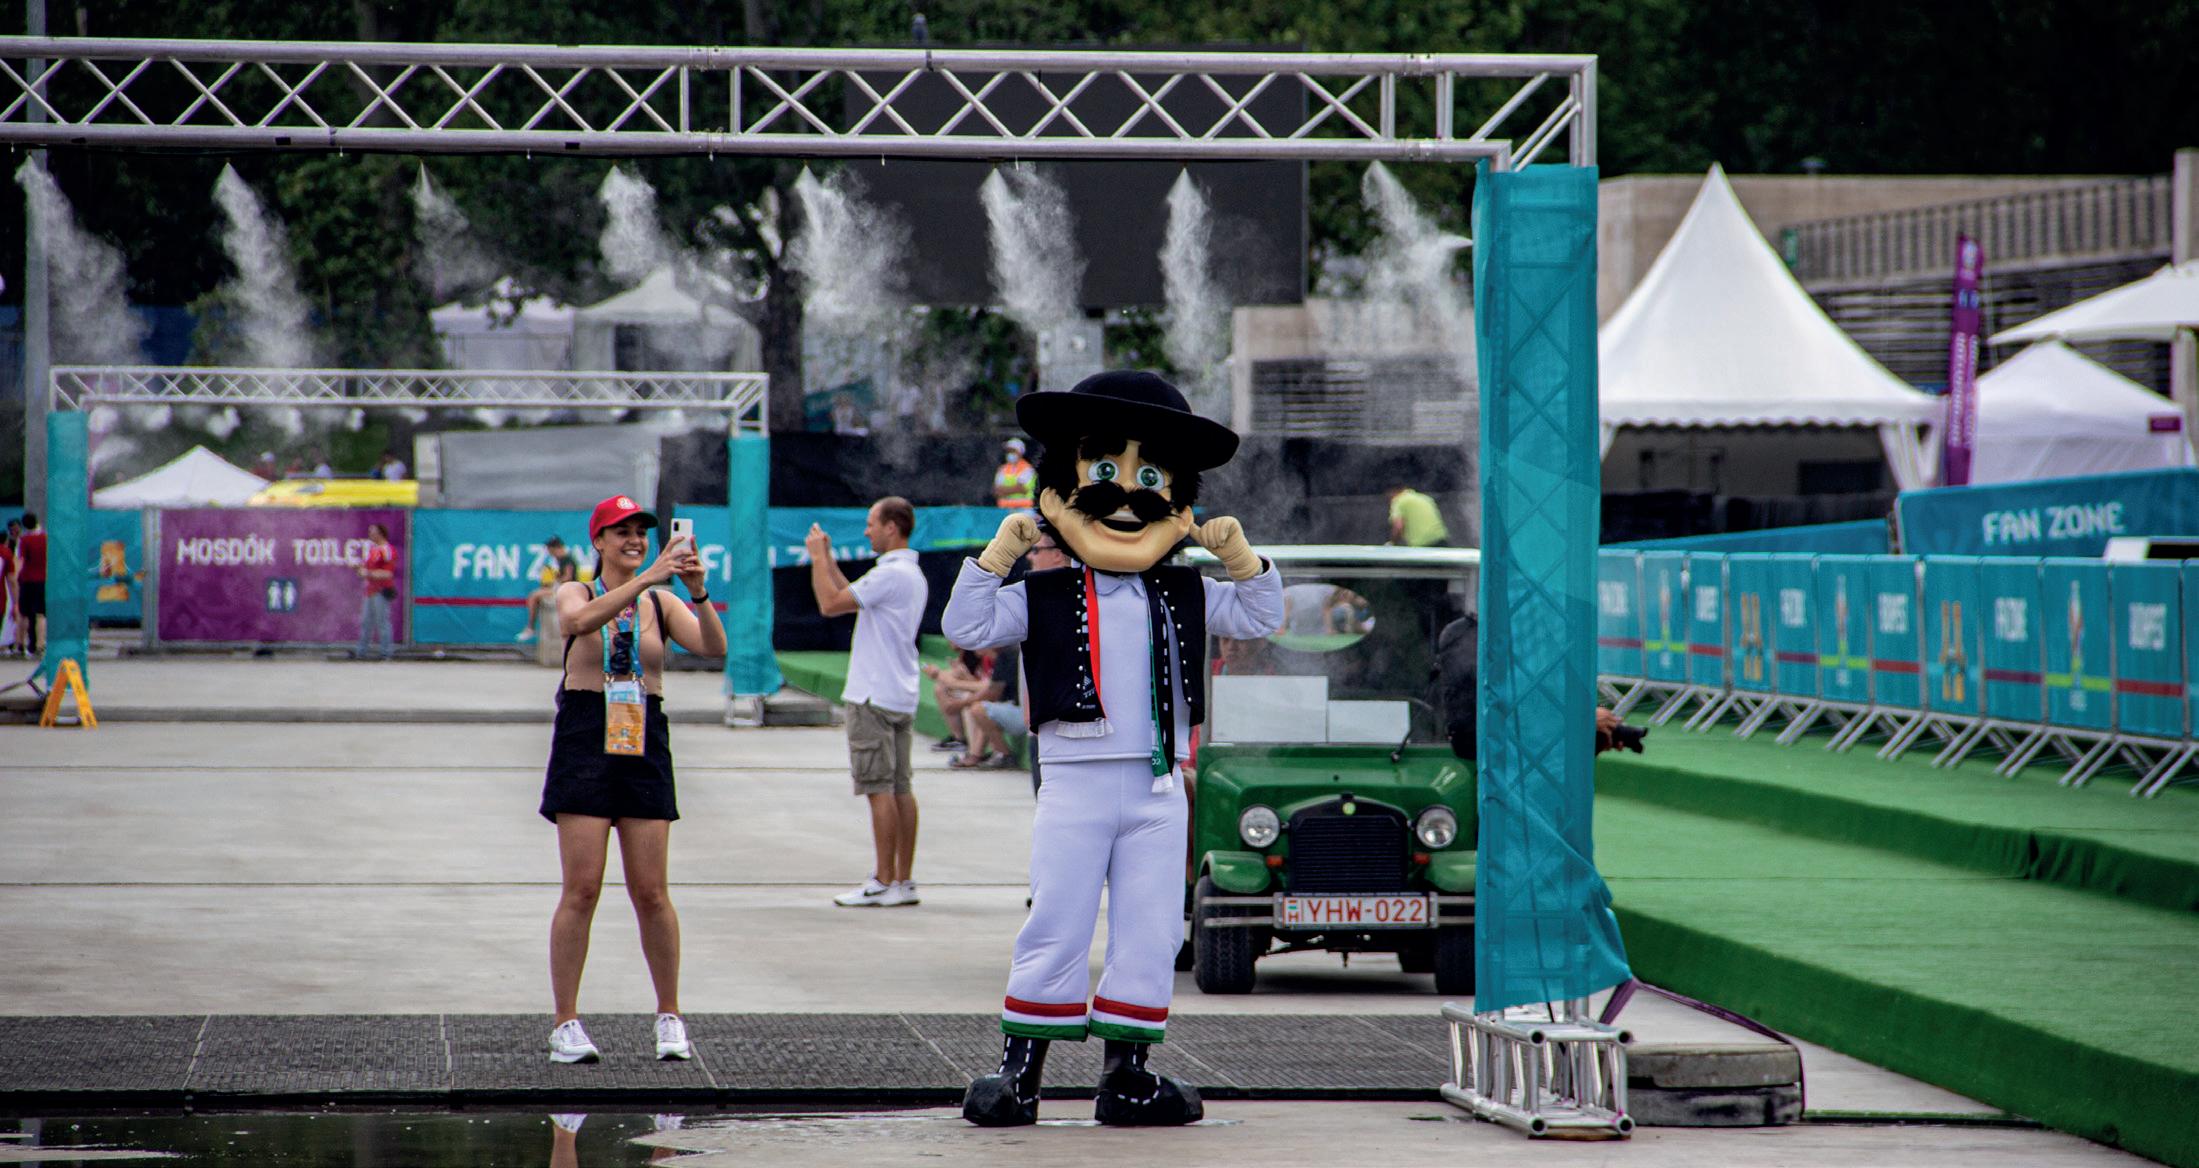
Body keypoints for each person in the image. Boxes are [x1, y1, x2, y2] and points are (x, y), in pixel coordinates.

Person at [945, 371, 1283, 1128]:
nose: (1127, 493)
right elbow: (966, 626)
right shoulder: (1042, 595)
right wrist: (997, 557)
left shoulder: (1186, 591)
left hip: (1159, 786)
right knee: (1056, 920)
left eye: (1151, 476)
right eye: (1102, 470)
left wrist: (1241, 558)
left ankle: (1127, 1074)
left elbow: (1262, 616)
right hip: (1075, 780)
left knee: (1152, 930)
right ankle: (1020, 1072)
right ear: (1058, 492)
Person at [541, 494, 724, 1065]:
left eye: (641, 531)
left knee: (651, 891)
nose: (635, 540)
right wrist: (647, 577)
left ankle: (670, 1015)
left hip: (643, 732)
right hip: (586, 734)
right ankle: (566, 1022)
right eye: (621, 531)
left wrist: (697, 591)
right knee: (582, 888)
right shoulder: (577, 590)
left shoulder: (662, 601)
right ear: (598, 541)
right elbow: (575, 623)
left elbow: (713, 647)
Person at [807, 498, 928, 909]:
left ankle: (882, 880)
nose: (866, 531)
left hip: (872, 694)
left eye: (871, 523)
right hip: (898, 692)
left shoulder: (890, 574)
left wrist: (817, 558)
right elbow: (849, 593)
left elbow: (829, 603)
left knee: (879, 789)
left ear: (892, 527)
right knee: (900, 788)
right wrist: (828, 560)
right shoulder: (908, 572)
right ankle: (903, 881)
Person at [923, 646, 992, 754]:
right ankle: (959, 739)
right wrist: (937, 674)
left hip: (993, 697)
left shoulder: (992, 656)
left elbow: (990, 688)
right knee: (941, 689)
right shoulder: (967, 652)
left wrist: (958, 683)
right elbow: (954, 676)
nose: (950, 642)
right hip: (978, 691)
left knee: (971, 703)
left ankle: (975, 753)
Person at [517, 536, 581, 643]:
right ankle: (530, 628)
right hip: (563, 588)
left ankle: (530, 627)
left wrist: (556, 580)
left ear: (556, 548)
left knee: (534, 596)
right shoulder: (561, 560)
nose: (550, 553)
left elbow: (568, 577)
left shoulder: (567, 559)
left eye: (550, 550)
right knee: (537, 593)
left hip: (566, 589)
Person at [354, 523, 398, 661]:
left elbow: (388, 573)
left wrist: (367, 573)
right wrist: (359, 569)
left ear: (380, 534)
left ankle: (386, 653)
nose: (370, 535)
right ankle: (361, 652)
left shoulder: (387, 550)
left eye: (372, 532)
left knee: (382, 622)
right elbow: (367, 568)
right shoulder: (373, 550)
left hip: (381, 590)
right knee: (366, 622)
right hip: (370, 591)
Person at [16, 513, 46, 658]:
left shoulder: (24, 540)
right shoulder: (45, 538)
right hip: (42, 580)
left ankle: (21, 643)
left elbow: (20, 561)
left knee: (24, 614)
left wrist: (17, 577)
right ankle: (40, 644)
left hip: (27, 579)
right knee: (40, 614)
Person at [1386, 483, 1449, 548]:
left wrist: (1392, 543)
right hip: (1440, 539)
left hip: (1422, 544)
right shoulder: (1425, 498)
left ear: (1391, 492)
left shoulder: (1399, 501)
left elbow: (1398, 526)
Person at [993, 438, 1036, 509]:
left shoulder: (1027, 469)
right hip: (1005, 509)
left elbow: (1021, 489)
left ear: (1020, 452)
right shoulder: (1002, 469)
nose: (1009, 453)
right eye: (1008, 451)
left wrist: (1003, 490)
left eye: (1013, 451)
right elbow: (996, 490)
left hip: (1024, 509)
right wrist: (1012, 489)